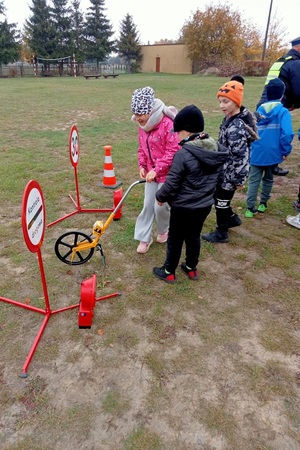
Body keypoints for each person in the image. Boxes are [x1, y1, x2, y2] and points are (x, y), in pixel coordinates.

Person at [152, 105, 229, 284]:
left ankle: (169, 270)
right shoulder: (215, 149)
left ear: (186, 132)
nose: (176, 135)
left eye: (177, 132)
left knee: (175, 238)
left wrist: (160, 197)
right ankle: (191, 267)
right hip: (203, 206)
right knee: (194, 236)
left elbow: (172, 182)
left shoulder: (183, 154)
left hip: (182, 207)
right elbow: (220, 179)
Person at [202, 79, 254, 244]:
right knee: (218, 197)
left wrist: (238, 178)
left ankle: (222, 232)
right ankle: (232, 218)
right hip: (224, 170)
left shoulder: (236, 128)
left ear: (236, 101)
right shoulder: (229, 119)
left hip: (231, 174)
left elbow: (240, 156)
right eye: (220, 102)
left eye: (226, 101)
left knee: (221, 202)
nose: (221, 106)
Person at [131, 86, 179, 254]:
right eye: (135, 114)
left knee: (161, 206)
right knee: (147, 205)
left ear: (150, 111)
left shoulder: (167, 124)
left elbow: (173, 150)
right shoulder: (142, 126)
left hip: (167, 174)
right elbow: (141, 148)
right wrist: (142, 166)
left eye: (140, 114)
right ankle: (144, 238)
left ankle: (164, 230)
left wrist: (157, 169)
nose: (137, 118)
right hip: (151, 173)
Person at [245, 78, 294, 218]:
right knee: (268, 179)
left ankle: (249, 208)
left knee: (254, 180)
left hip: (257, 153)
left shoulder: (257, 111)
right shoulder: (283, 112)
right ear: (281, 94)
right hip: (273, 154)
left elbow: (250, 132)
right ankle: (263, 204)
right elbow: (287, 133)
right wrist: (285, 150)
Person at [257, 36, 300, 176]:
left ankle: (261, 164)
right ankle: (273, 165)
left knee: (264, 134)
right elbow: (298, 89)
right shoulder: (295, 63)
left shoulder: (281, 60)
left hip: (264, 102)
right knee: (278, 134)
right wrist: (295, 104)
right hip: (278, 103)